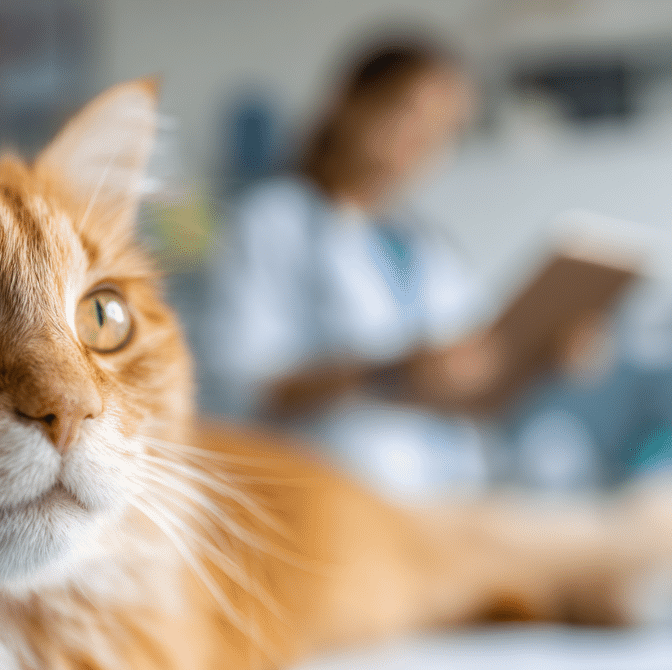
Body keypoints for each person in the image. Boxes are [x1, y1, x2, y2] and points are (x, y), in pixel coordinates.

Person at [203, 37, 507, 498]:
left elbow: (479, 366)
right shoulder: (272, 222)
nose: (423, 141)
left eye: (445, 130)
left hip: (450, 499)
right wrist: (388, 372)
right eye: (411, 114)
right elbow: (243, 389)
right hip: (336, 500)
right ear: (348, 100)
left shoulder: (428, 247)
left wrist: (542, 353)